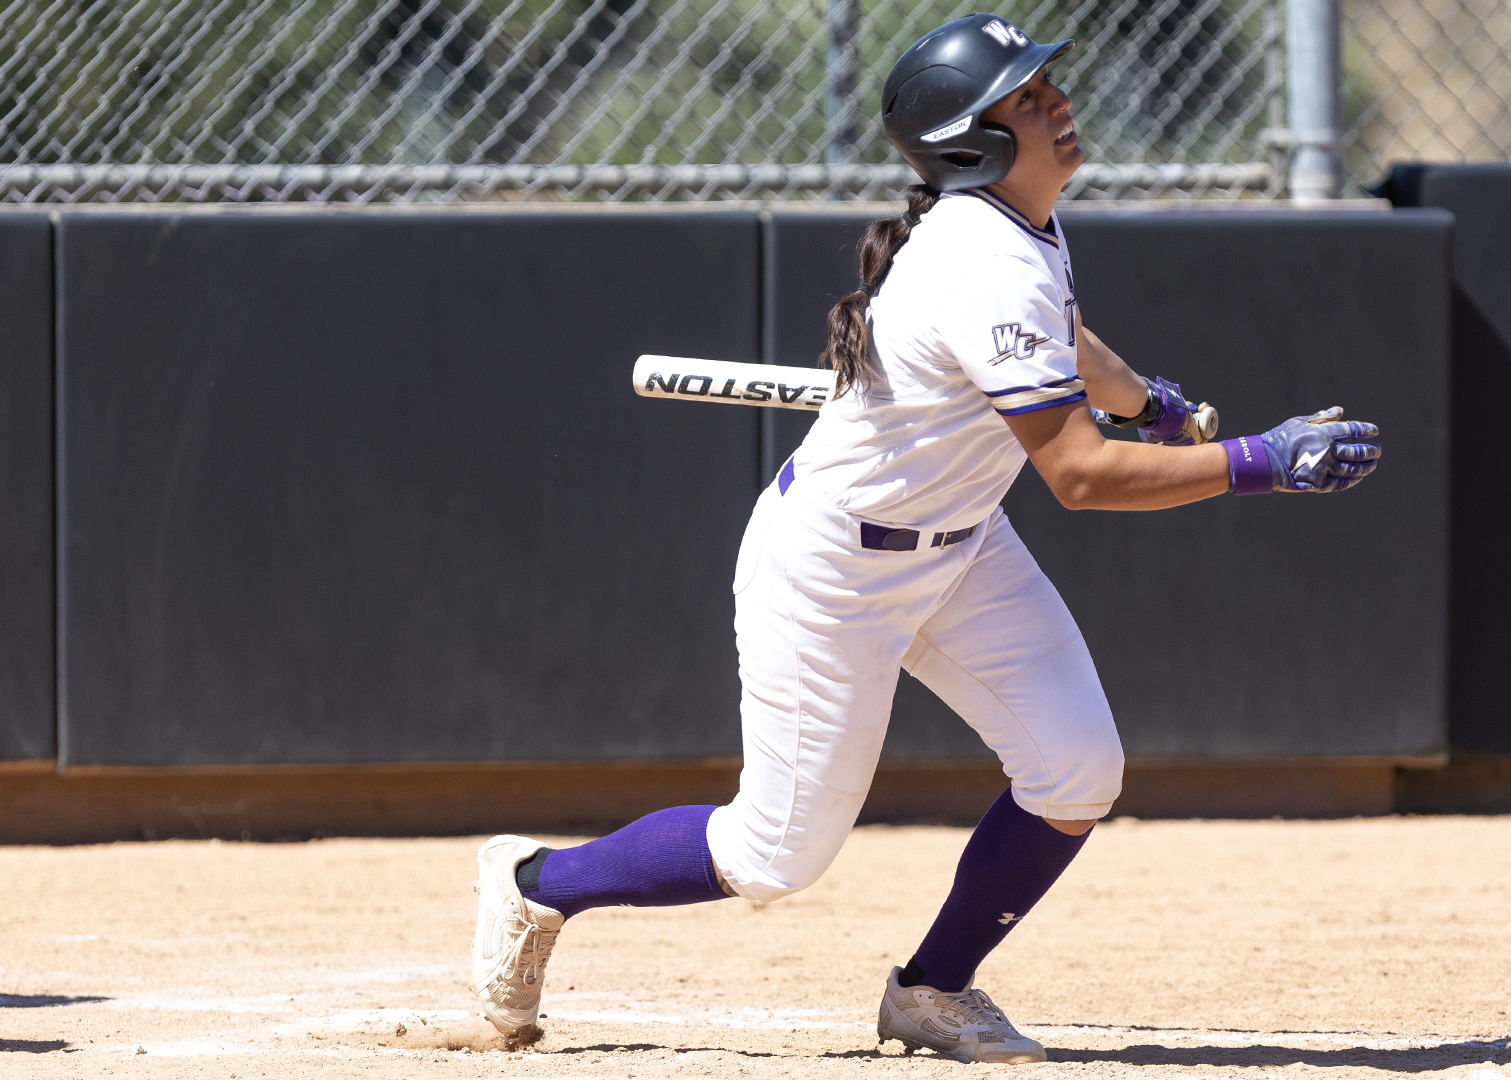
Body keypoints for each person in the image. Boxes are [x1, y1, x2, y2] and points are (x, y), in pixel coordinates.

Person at [469, 12, 1381, 1065]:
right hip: (834, 573)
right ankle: (536, 884)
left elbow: (1058, 337)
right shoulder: (981, 252)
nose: (1056, 103)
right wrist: (1256, 462)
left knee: (1076, 770)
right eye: (1027, 97)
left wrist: (1148, 401)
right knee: (773, 855)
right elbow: (1079, 477)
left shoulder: (1020, 225)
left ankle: (933, 990)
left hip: (957, 546)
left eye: (1046, 86)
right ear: (972, 142)